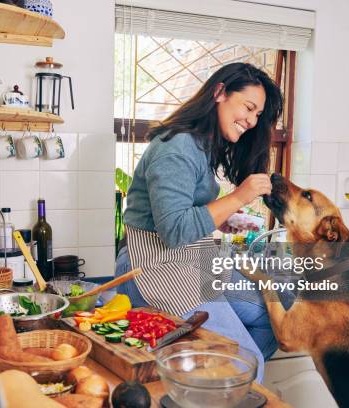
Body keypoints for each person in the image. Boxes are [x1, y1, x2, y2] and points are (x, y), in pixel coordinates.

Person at [115, 62, 289, 380]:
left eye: (257, 115)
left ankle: (207, 386)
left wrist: (222, 218)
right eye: (249, 108)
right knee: (245, 365)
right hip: (155, 266)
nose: (251, 121)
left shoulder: (199, 144)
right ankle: (216, 384)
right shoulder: (177, 148)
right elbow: (175, 230)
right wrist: (239, 197)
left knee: (272, 316)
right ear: (219, 92)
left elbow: (181, 212)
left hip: (191, 260)